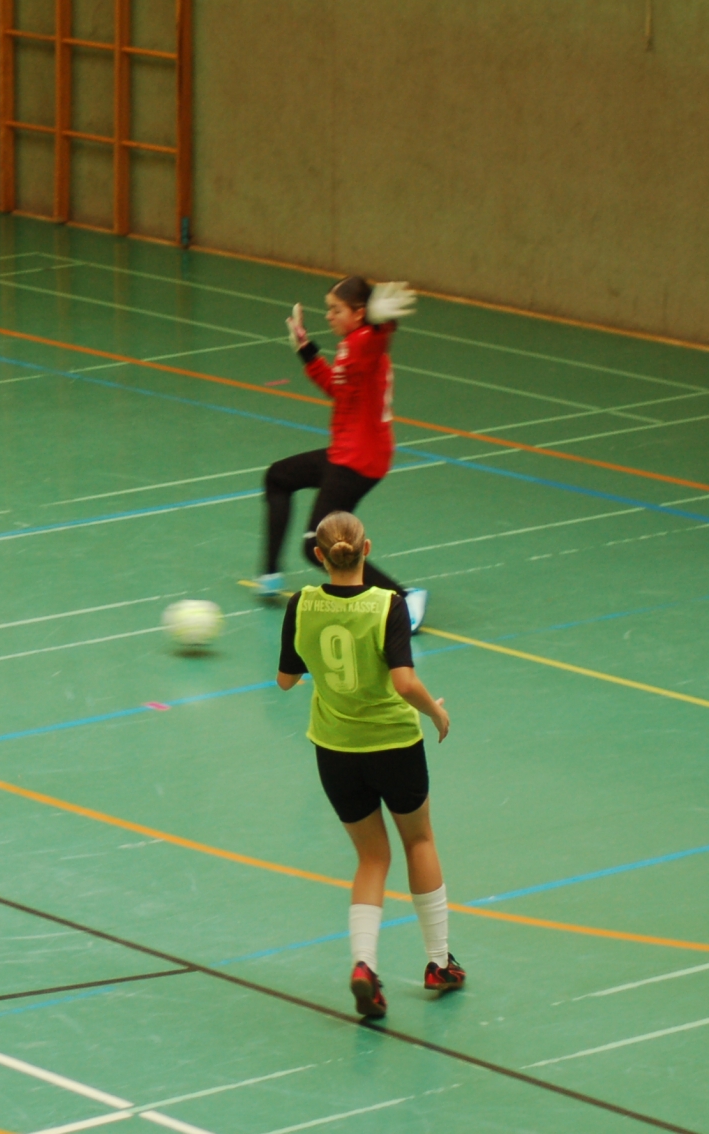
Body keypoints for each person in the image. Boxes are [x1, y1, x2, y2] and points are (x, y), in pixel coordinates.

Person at [274, 511, 463, 1020]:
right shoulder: (387, 605)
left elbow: (286, 680)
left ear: (319, 555)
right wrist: (435, 711)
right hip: (394, 745)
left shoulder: (301, 604)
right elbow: (403, 682)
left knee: (371, 858)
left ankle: (364, 965)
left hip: (335, 751)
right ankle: (439, 962)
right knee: (418, 841)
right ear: (367, 549)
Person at [256, 276, 427, 632]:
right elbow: (337, 387)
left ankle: (404, 597)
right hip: (345, 453)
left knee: (317, 546)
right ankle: (270, 574)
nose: (329, 316)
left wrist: (381, 320)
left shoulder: (365, 341)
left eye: (336, 310)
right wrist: (306, 349)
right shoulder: (352, 345)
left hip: (358, 461)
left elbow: (378, 337)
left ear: (359, 313)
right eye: (328, 309)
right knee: (278, 477)